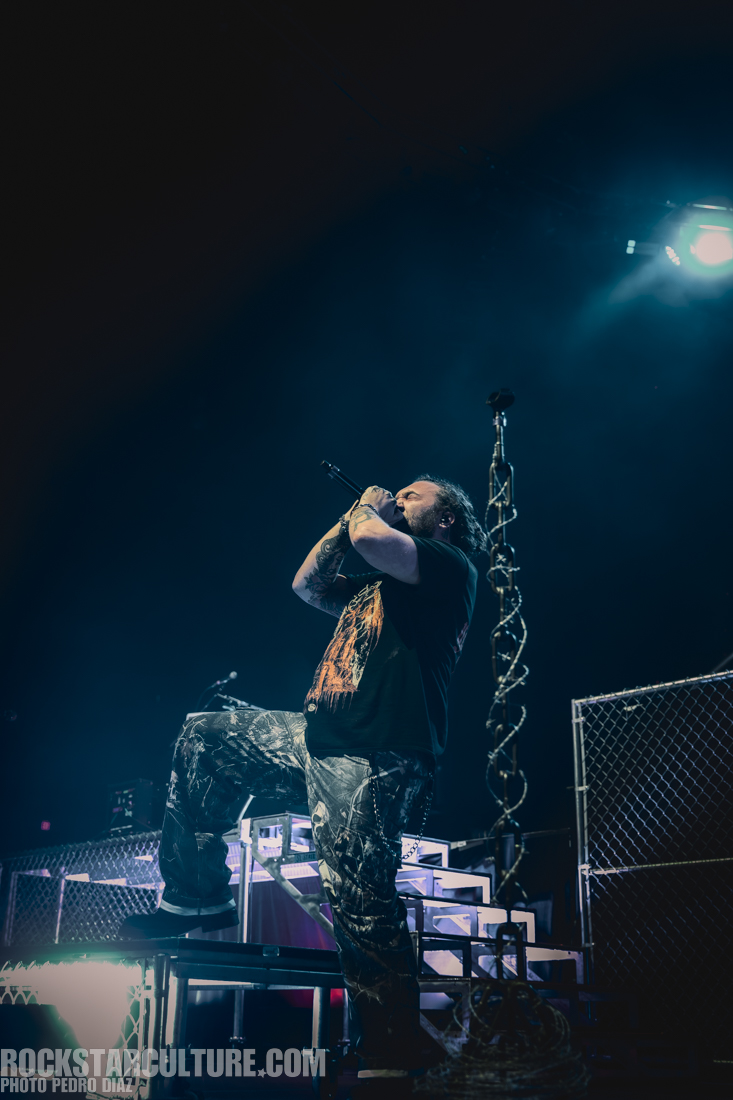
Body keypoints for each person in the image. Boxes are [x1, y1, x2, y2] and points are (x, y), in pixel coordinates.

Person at [120, 476, 483, 1076]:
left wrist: (366, 511)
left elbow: (370, 535)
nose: (402, 496)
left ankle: (389, 1057)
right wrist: (350, 519)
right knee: (207, 737)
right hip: (316, 738)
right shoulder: (377, 582)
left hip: (375, 753)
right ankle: (195, 898)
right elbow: (307, 585)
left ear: (446, 519)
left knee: (362, 903)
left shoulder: (447, 566)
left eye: (415, 495)